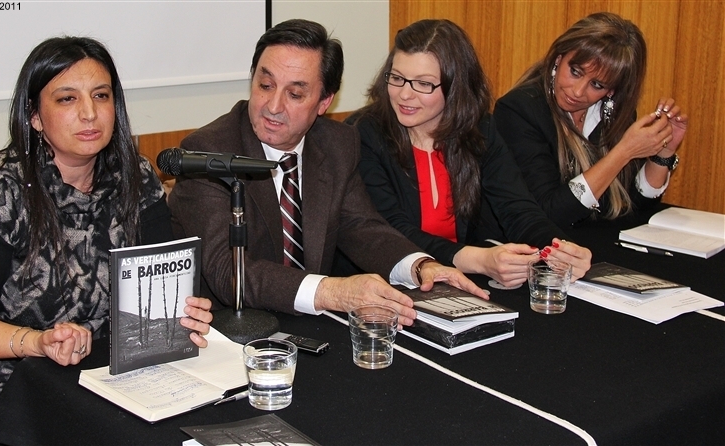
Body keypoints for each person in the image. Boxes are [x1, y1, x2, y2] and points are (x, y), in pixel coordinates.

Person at [0, 37, 213, 445]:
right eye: (67, 98)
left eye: (101, 95)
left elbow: (152, 284)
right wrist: (38, 343)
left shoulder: (136, 178)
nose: (89, 112)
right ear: (34, 116)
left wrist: (179, 313)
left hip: (104, 376)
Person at [168, 19, 487, 327]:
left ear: (324, 102)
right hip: (229, 329)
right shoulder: (208, 152)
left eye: (295, 94)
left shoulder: (338, 143)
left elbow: (362, 228)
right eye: (265, 85)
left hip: (309, 327)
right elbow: (227, 271)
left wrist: (419, 266)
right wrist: (332, 292)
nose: (273, 106)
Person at [343, 19, 591, 287]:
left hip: (455, 280)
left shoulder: (480, 129)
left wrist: (561, 249)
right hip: (386, 282)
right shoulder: (363, 133)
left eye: (423, 84)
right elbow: (390, 231)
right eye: (397, 78)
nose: (404, 94)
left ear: (456, 86)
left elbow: (517, 208)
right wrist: (479, 260)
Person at [493, 12, 688, 228]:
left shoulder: (612, 112)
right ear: (559, 58)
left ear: (612, 91)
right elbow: (549, 213)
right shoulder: (519, 110)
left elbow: (633, 203)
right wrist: (623, 152)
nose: (577, 92)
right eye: (575, 72)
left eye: (597, 85)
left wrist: (664, 152)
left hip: (589, 240)